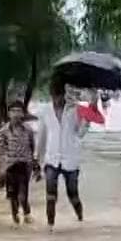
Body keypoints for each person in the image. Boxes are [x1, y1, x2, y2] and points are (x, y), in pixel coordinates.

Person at [36, 82, 88, 228]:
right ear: (51, 95)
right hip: (51, 159)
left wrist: (87, 120)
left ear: (64, 95)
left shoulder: (75, 110)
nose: (56, 99)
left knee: (73, 195)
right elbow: (42, 136)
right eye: (54, 96)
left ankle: (80, 219)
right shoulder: (46, 111)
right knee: (50, 195)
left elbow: (80, 133)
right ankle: (50, 226)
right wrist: (36, 160)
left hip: (70, 159)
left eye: (59, 96)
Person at [0, 100, 38, 224]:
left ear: (23, 114)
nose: (16, 114)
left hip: (25, 165)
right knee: (12, 194)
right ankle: (15, 215)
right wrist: (2, 168)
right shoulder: (4, 131)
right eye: (13, 111)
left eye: (19, 111)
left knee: (23, 193)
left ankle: (27, 213)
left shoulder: (28, 130)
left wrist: (34, 164)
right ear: (9, 114)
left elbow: (32, 147)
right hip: (10, 166)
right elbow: (1, 150)